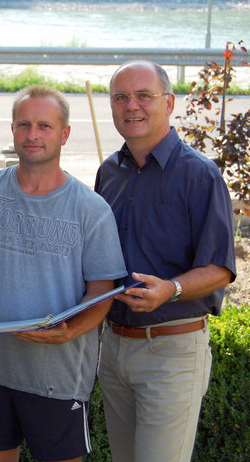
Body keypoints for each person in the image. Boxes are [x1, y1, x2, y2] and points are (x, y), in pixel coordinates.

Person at [0, 85, 127, 462]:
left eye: (44, 125)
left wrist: (69, 332)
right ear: (12, 130)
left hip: (56, 374)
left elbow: (101, 293)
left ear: (65, 134)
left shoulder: (91, 209)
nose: (33, 135)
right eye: (24, 125)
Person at [95, 61, 237, 462]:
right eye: (121, 97)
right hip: (115, 349)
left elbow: (221, 268)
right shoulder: (109, 172)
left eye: (144, 95)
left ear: (169, 102)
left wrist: (170, 290)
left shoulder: (200, 175)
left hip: (172, 351)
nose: (131, 106)